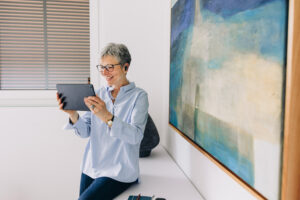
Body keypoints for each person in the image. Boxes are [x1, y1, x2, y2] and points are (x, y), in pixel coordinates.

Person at [56, 43, 149, 200]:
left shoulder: (139, 97)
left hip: (119, 170)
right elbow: (85, 132)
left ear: (126, 67)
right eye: (102, 67)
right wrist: (73, 115)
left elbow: (136, 136)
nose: (105, 73)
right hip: (91, 166)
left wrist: (107, 116)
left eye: (110, 67)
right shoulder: (97, 94)